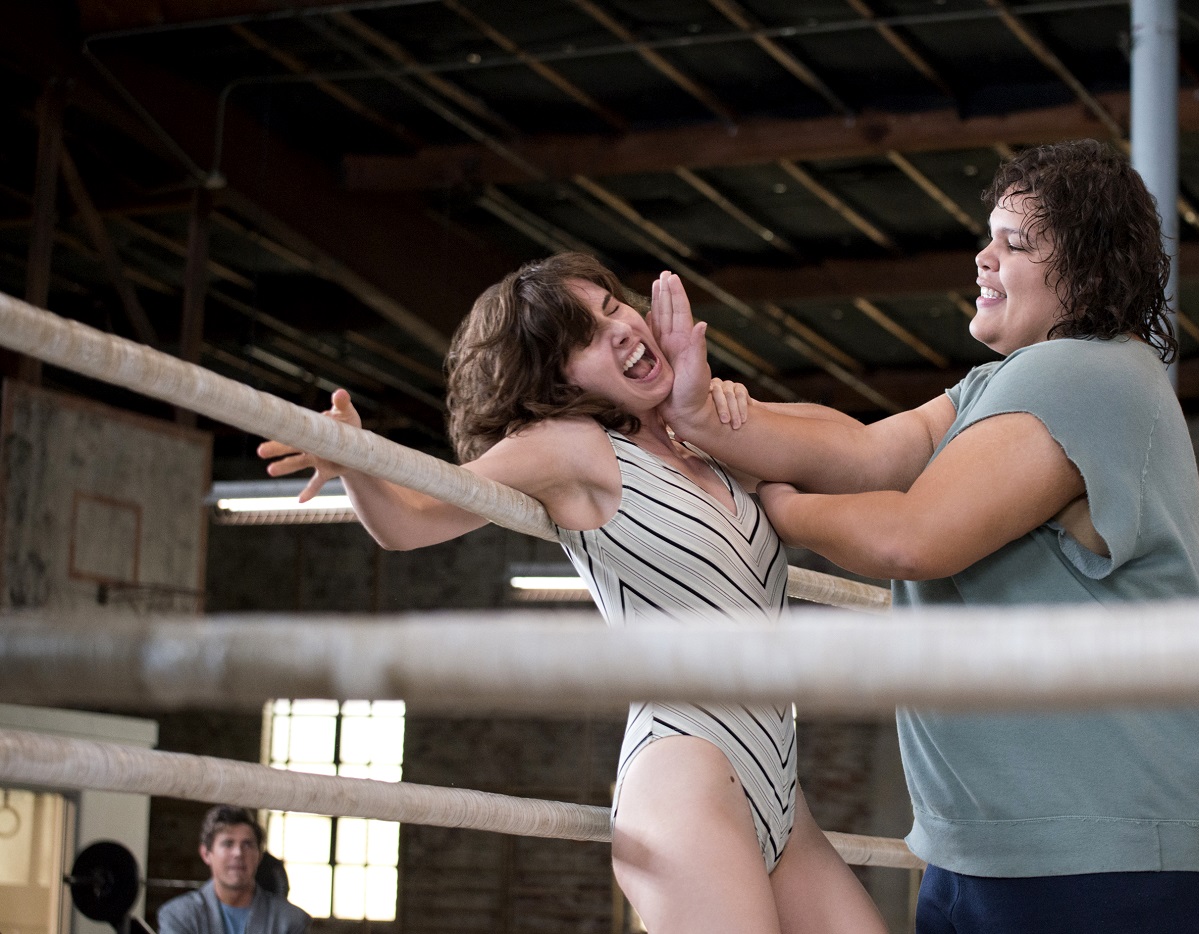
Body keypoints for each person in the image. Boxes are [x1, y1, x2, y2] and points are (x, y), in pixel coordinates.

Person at [654, 139, 1199, 934]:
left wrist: (776, 506)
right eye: (989, 237)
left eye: (1016, 244)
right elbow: (866, 452)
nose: (984, 258)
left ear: (1088, 271)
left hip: (1106, 830)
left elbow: (913, 537)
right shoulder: (996, 384)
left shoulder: (1084, 372)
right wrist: (702, 415)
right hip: (1003, 842)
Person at [256, 252, 887, 934]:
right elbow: (410, 520)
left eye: (613, 307)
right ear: (557, 380)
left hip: (781, 785)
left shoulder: (703, 439)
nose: (619, 329)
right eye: (585, 338)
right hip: (688, 776)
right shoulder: (572, 447)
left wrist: (720, 409)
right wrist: (357, 459)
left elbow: (855, 450)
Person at [156, 805, 310, 934]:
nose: (238, 853)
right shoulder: (178, 916)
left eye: (247, 844)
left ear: (259, 856)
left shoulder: (291, 920)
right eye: (228, 844)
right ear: (206, 854)